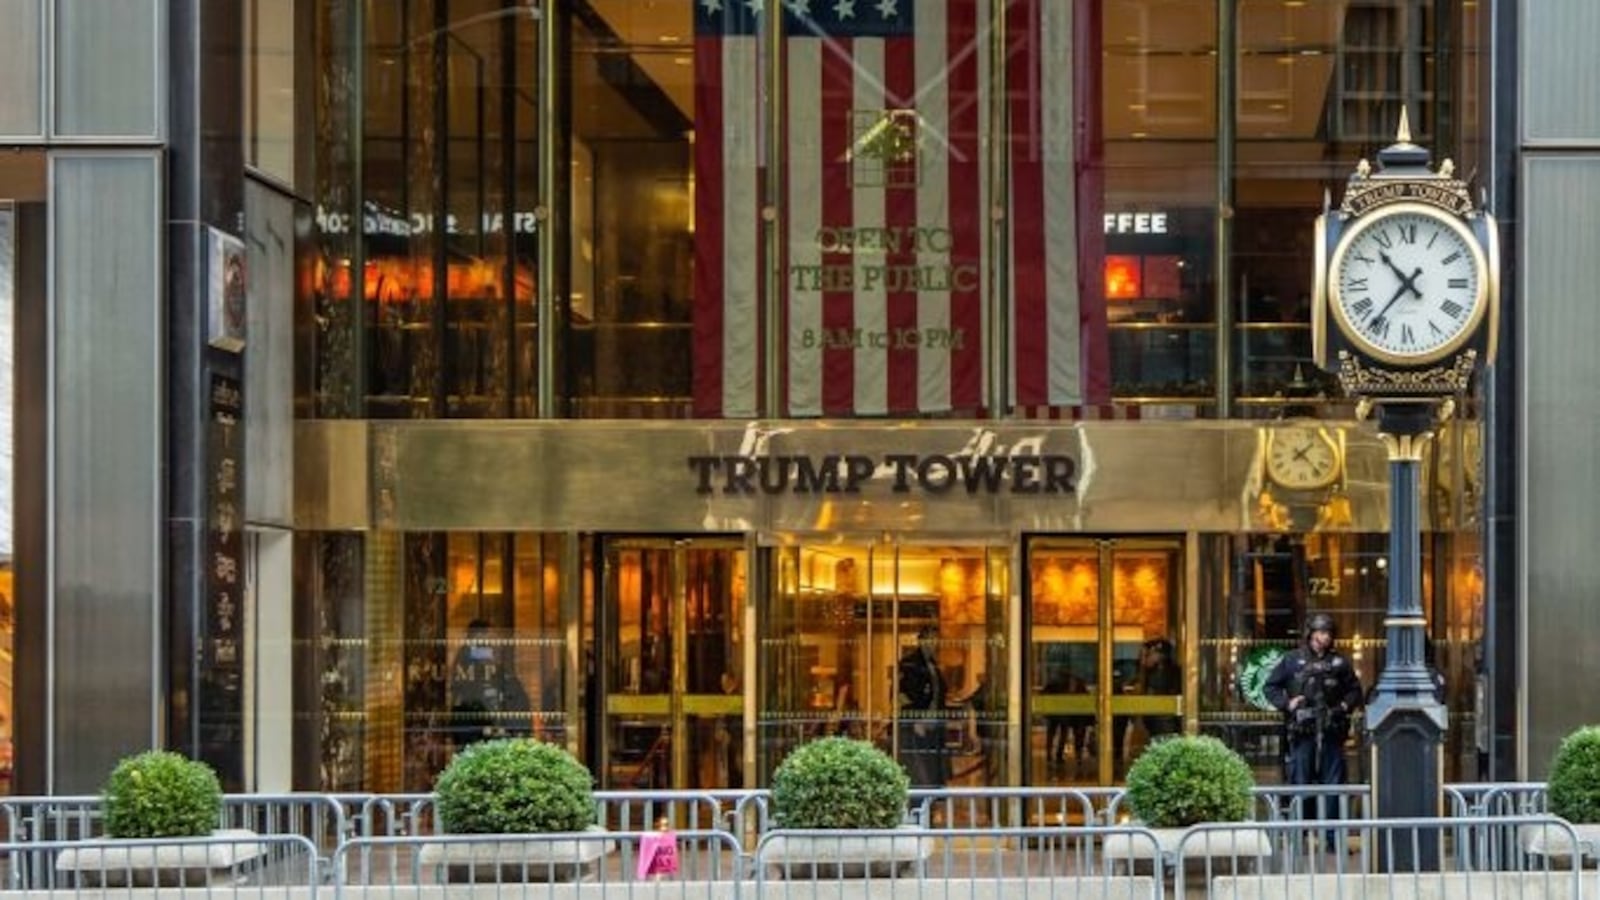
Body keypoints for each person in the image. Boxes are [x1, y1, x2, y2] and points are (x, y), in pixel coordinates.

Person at [1264, 613, 1363, 849]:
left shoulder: (1340, 663)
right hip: (1302, 731)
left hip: (1331, 730)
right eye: (1320, 633)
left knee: (1333, 785)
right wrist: (1287, 704)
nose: (1324, 638)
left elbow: (1354, 691)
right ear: (1310, 634)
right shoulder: (1292, 660)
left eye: (1328, 633)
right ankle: (1300, 836)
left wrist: (1342, 706)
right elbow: (1270, 686)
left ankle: (1331, 838)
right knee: (1301, 782)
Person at [449, 619, 531, 749]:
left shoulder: (472, 654)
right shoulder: (468, 653)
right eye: (486, 635)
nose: (489, 641)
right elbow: (487, 658)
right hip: (475, 717)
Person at [897, 625, 949, 788]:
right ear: (920, 641)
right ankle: (920, 803)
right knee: (919, 765)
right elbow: (900, 695)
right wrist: (915, 720)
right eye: (929, 639)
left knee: (932, 763)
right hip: (919, 723)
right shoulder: (909, 663)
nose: (933, 643)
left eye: (935, 640)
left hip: (935, 722)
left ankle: (931, 799)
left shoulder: (934, 665)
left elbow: (939, 693)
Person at [1138, 638, 1183, 740]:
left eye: (1148, 654)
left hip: (1164, 722)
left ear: (1161, 656)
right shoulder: (1151, 672)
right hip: (1157, 721)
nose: (1144, 659)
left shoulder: (1165, 673)